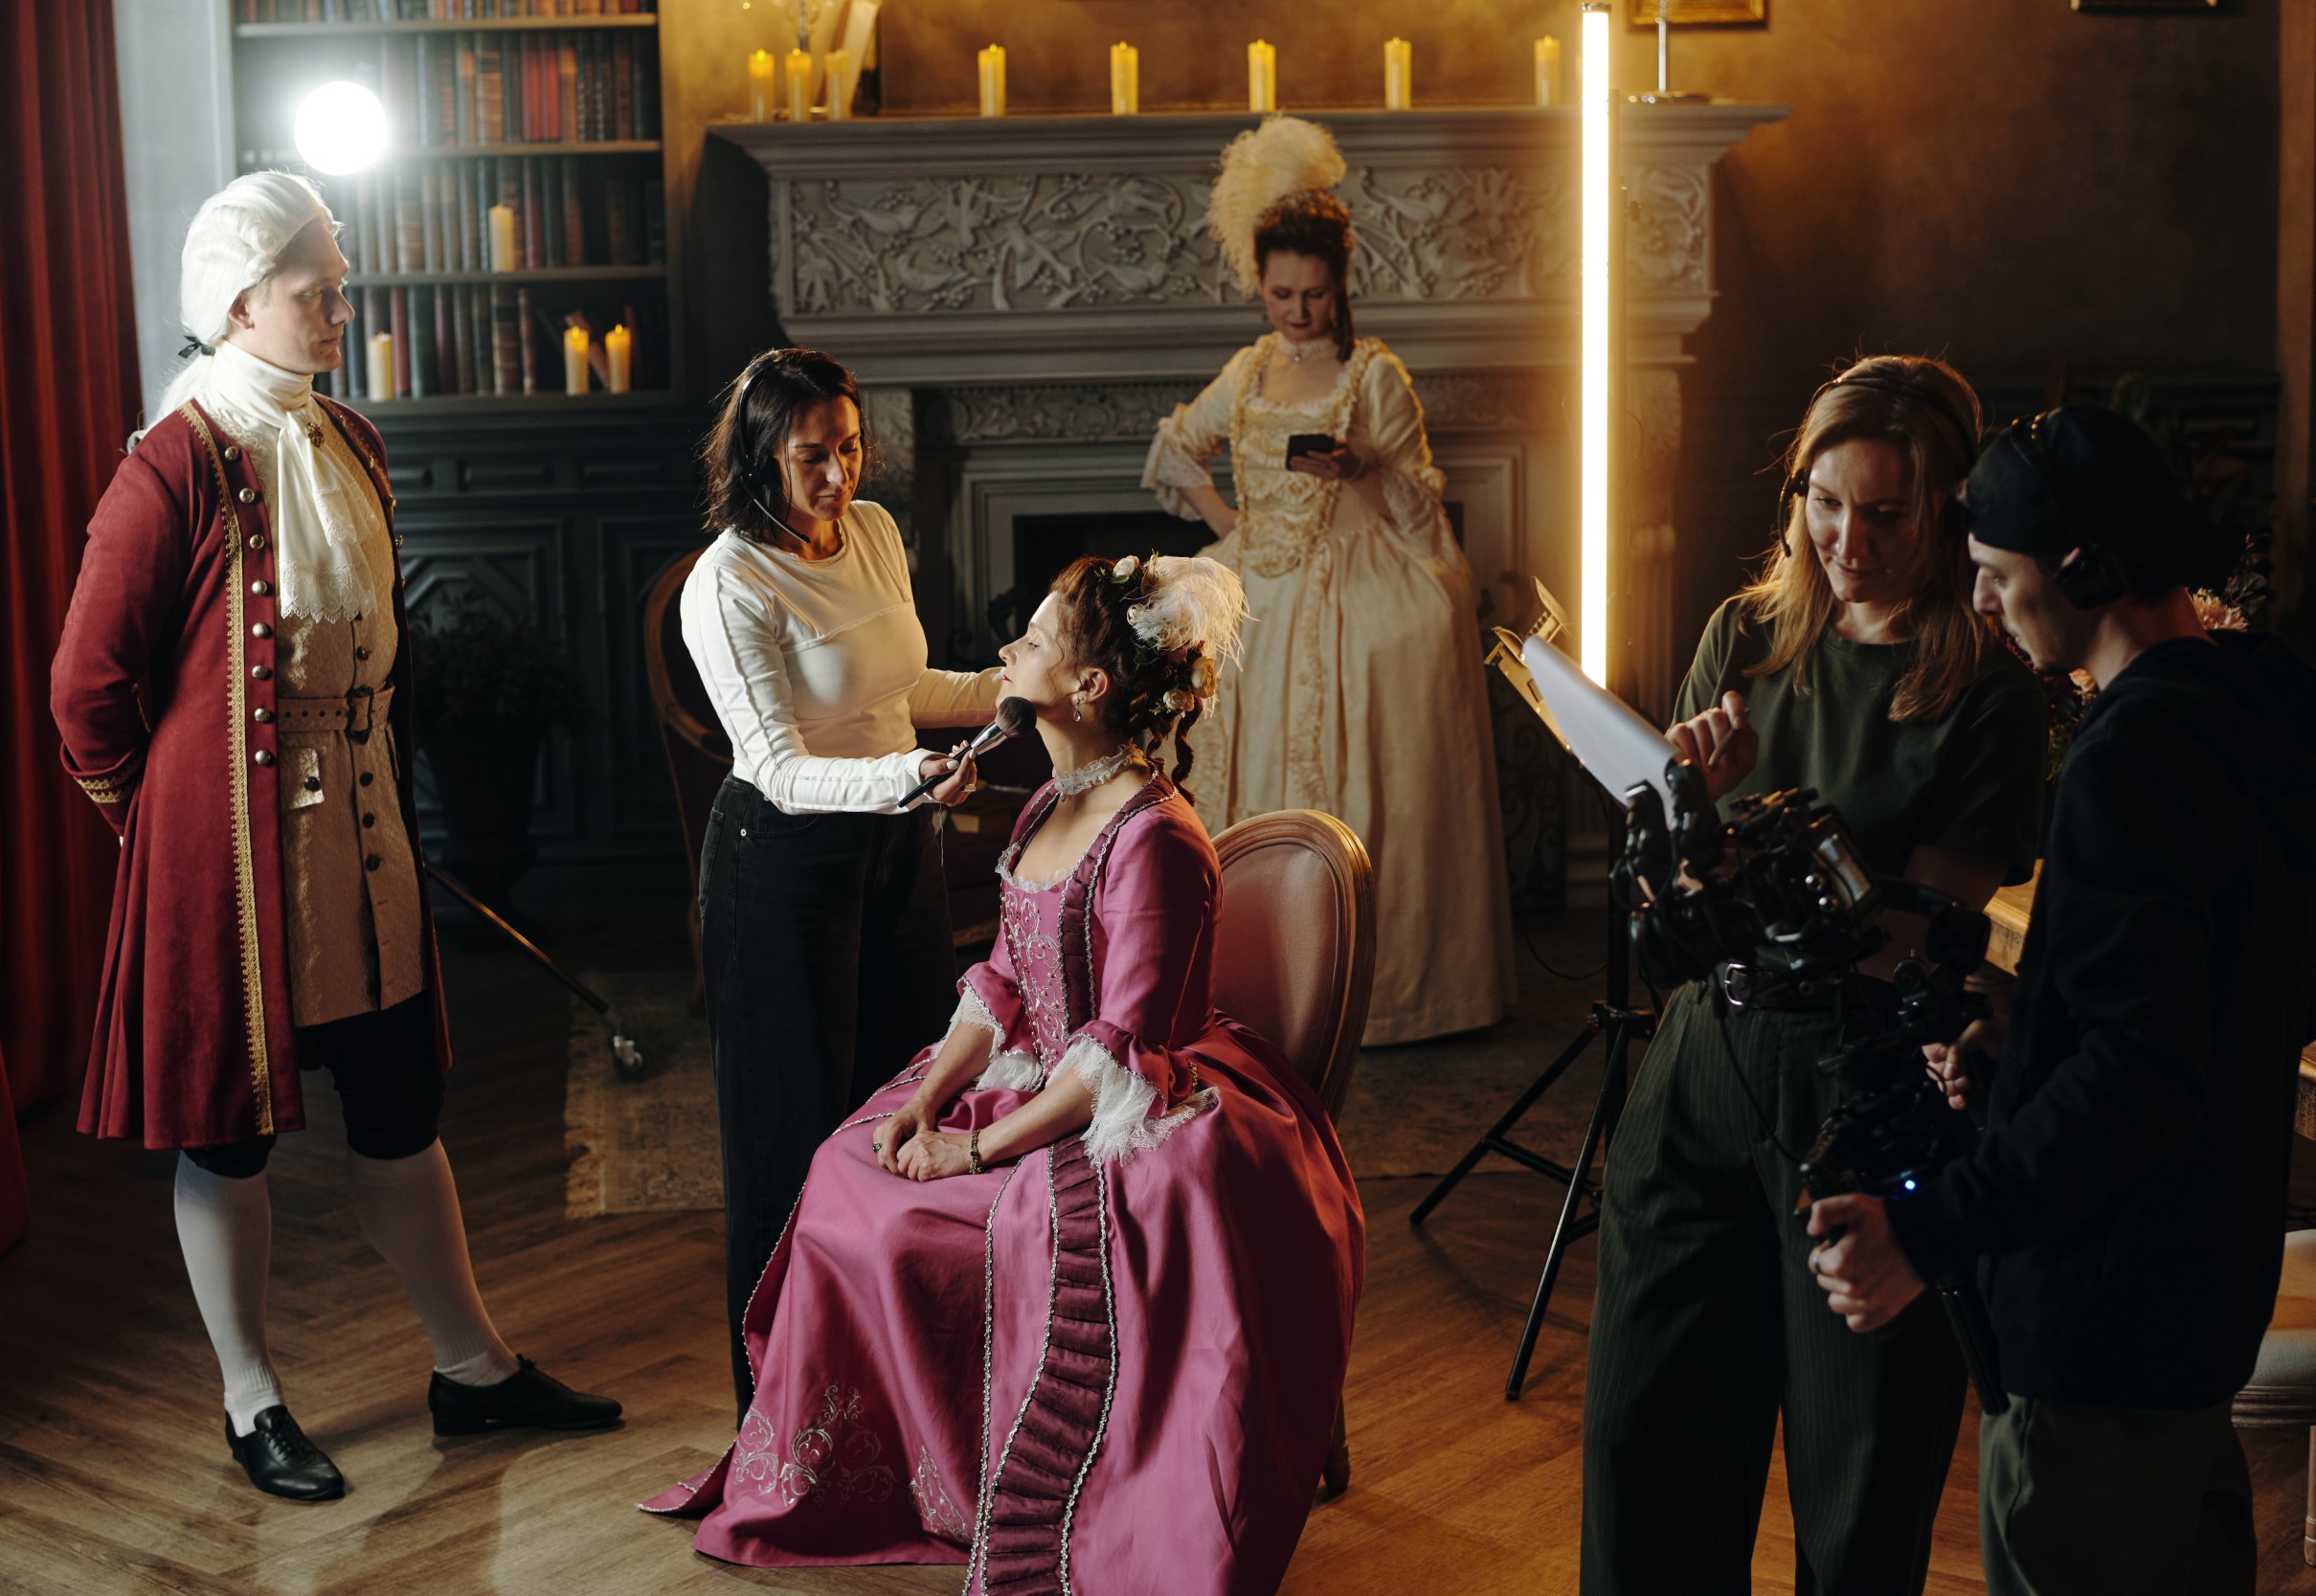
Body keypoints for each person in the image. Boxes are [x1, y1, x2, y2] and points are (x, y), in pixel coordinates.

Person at [50, 172, 618, 1504]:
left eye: (339, 285)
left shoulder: (348, 438)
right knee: (229, 1132)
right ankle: (251, 1397)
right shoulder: (173, 461)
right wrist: (164, 827)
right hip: (230, 861)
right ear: (242, 303)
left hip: (362, 837)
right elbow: (86, 687)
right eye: (320, 291)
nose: (342, 309)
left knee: (399, 1108)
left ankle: (470, 1366)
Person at [641, 552, 1364, 1595]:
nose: (1007, 648)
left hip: (1127, 1109)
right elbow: (1001, 981)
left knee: (907, 1216)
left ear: (1089, 687)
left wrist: (970, 1148)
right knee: (845, 1165)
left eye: (1033, 637)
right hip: (1042, 1072)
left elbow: (1120, 1056)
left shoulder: (1155, 838)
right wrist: (931, 1093)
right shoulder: (1044, 805)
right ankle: (873, 1473)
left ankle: (996, 1483)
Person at [1807, 405, 2316, 1596]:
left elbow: (2140, 1071)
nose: (1981, 603)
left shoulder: (2129, 756)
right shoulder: (2263, 712)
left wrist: (1925, 1229)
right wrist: (2022, 1046)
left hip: (2098, 1324)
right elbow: (2224, 1004)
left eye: (1995, 573)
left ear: (2079, 568)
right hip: (2204, 1301)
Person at [1580, 356, 2050, 1594]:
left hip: (1862, 1092)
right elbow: (1671, 904)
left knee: (1857, 1497)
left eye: (1886, 512)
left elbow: (1917, 941)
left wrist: (1753, 836)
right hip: (1698, 1067)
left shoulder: (1985, 693)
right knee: (1645, 1456)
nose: (1848, 538)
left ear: (1946, 511)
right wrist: (1693, 842)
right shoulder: (1744, 634)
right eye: (1825, 503)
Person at [682, 347, 1001, 1423]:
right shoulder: (727, 580)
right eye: (811, 457)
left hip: (892, 849)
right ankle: (784, 1421)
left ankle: (904, 1391)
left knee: (906, 1112)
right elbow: (773, 765)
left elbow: (905, 685)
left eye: (850, 448)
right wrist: (906, 774)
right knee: (790, 1146)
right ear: (763, 457)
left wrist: (1026, 683)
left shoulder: (868, 531)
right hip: (780, 870)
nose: (837, 477)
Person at [1142, 114, 1511, 1046]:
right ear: (1260, 287)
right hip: (1260, 585)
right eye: (1279, 294)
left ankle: (1371, 995)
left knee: (1371, 730)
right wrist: (1235, 529)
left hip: (1353, 577)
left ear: (1337, 286)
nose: (1296, 313)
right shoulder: (1252, 365)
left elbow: (1423, 506)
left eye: (1310, 295)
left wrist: (1357, 469)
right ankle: (1256, 984)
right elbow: (1179, 447)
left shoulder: (1372, 373)